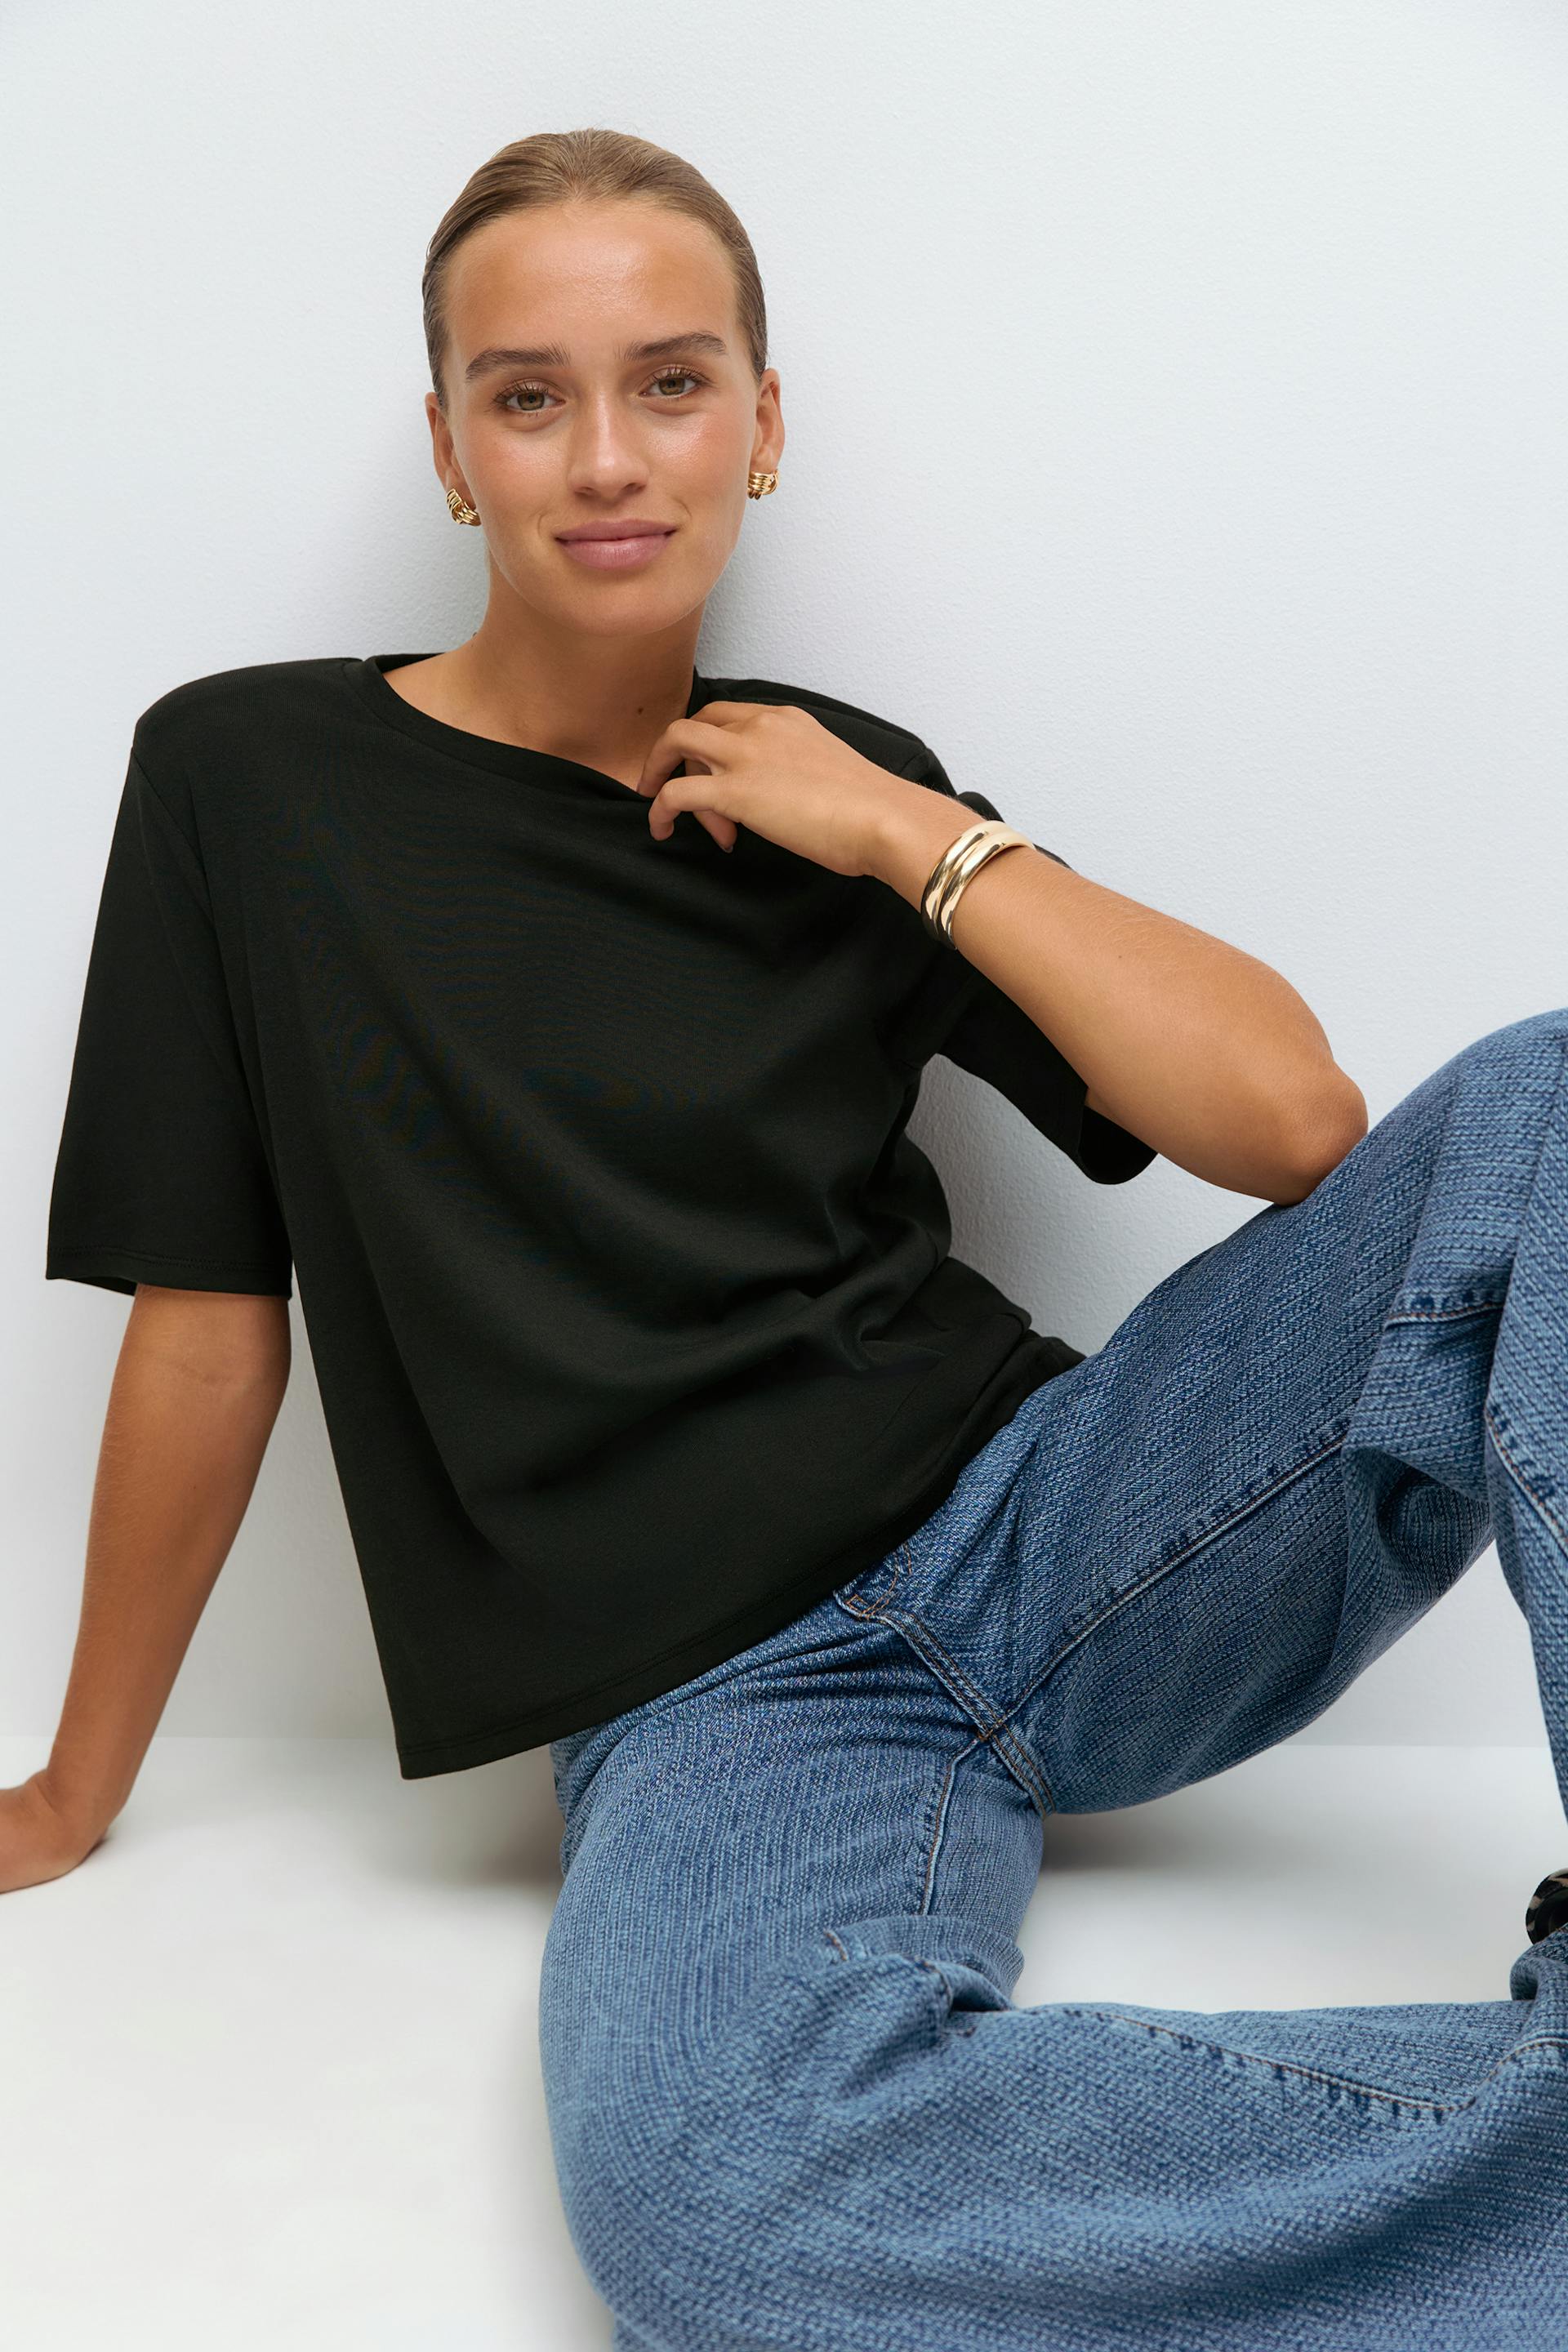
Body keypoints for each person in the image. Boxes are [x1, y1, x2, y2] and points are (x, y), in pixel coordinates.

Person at [9, 123, 1566, 2350]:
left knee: (1549, 1104)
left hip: (1066, 1531)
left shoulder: (834, 779)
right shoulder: (248, 785)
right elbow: (205, 1318)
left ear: (762, 420)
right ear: (447, 448)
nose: (606, 456)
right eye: (528, 395)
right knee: (724, 2205)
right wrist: (76, 1787)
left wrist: (909, 830)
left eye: (673, 382)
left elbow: (1297, 1124)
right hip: (724, 1713)